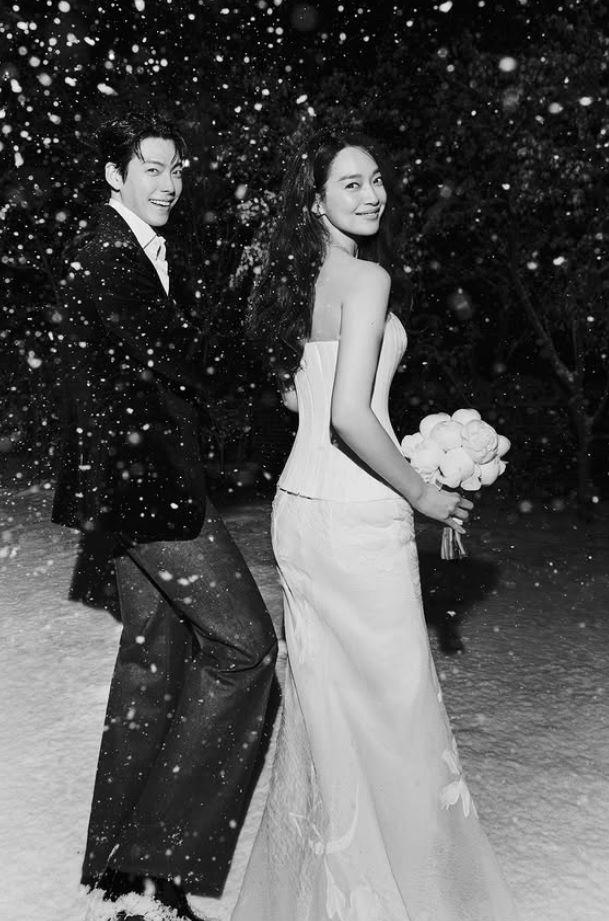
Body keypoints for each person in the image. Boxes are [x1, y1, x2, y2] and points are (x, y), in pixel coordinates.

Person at [231, 128, 518, 920]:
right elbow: (351, 416)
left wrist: (416, 450)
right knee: (396, 709)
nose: (371, 194)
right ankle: (411, 895)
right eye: (349, 183)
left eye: (376, 179)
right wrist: (422, 491)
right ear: (314, 199)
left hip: (299, 511)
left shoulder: (295, 281)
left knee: (326, 711)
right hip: (356, 516)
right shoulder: (365, 279)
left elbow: (297, 398)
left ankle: (337, 894)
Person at [51, 111, 278, 921]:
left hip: (129, 486)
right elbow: (176, 354)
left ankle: (118, 867)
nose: (170, 182)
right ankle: (154, 859)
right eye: (151, 167)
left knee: (153, 657)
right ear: (115, 174)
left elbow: (161, 356)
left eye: (177, 168)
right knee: (245, 646)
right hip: (144, 489)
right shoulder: (107, 252)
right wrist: (276, 366)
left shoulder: (133, 246)